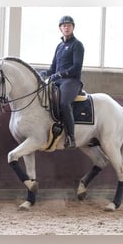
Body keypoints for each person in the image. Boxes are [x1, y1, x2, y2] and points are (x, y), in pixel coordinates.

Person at [40, 15, 84, 148]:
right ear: (60, 28)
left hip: (71, 81)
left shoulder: (77, 45)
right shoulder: (59, 46)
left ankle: (71, 137)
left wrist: (59, 74)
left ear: (73, 28)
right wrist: (45, 73)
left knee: (64, 103)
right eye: (64, 26)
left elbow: (76, 67)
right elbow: (53, 67)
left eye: (69, 25)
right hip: (58, 81)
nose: (66, 27)